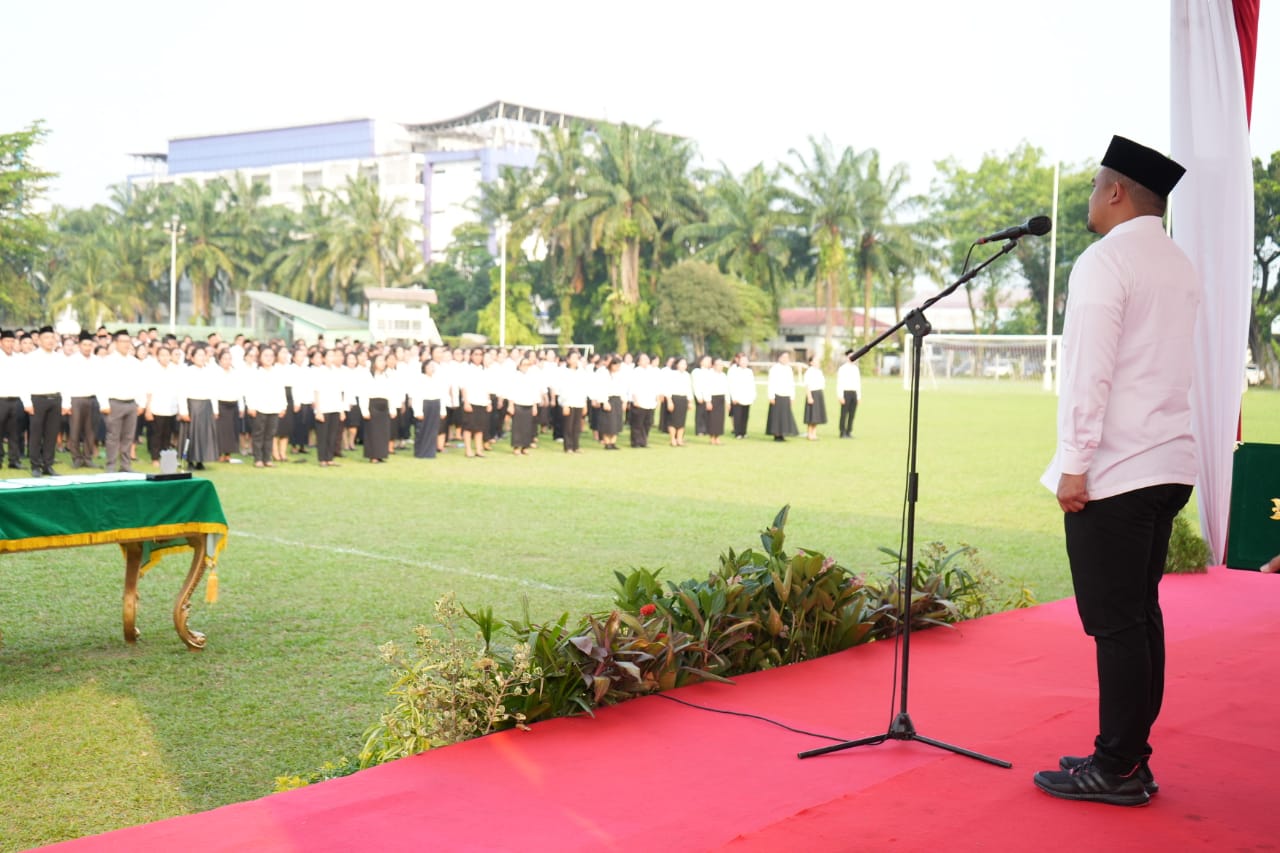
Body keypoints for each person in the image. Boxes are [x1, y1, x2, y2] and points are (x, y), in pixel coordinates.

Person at [1032, 136, 1199, 807]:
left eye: (1096, 184)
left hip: (1119, 468)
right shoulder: (1179, 263)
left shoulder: (1105, 262)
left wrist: (1074, 463)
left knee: (1118, 623)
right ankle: (1128, 754)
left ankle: (1120, 764)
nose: (1089, 197)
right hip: (1167, 462)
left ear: (1117, 191)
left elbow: (1087, 372)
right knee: (1139, 615)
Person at [20, 326, 68, 476]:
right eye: (46, 338)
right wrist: (27, 402)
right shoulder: (31, 358)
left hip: (55, 399)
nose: (50, 341)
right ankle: (35, 465)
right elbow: (23, 381)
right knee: (36, 433)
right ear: (39, 340)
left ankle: (48, 465)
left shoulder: (59, 358)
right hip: (37, 400)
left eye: (52, 338)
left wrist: (66, 402)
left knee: (51, 434)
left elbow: (66, 381)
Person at [98, 330, 147, 473]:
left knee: (128, 436)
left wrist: (141, 403)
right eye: (123, 342)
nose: (126, 344)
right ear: (116, 343)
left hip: (131, 403)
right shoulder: (108, 361)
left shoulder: (135, 362)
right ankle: (111, 466)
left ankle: (126, 466)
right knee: (113, 436)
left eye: (128, 342)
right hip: (114, 403)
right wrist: (104, 404)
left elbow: (140, 384)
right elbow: (101, 384)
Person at [244, 346, 287, 468]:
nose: (269, 358)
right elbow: (249, 391)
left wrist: (283, 406)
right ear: (260, 358)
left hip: (274, 407)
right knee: (258, 434)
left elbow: (281, 390)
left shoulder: (277, 372)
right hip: (259, 407)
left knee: (270, 434)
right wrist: (251, 406)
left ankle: (267, 458)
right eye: (265, 355)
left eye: (271, 356)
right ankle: (258, 458)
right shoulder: (255, 373)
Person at [0, 330, 26, 468]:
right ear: (1, 342)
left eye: (11, 341)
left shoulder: (17, 359)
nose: (9, 344)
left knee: (15, 432)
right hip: (1, 400)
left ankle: (14, 460)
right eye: (7, 341)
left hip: (15, 400)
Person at [764, 352, 799, 442]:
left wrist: (792, 396)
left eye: (787, 357)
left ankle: (783, 433)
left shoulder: (789, 369)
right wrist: (771, 396)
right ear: (779, 358)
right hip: (777, 395)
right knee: (776, 416)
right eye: (783, 357)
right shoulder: (774, 369)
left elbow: (791, 384)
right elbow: (771, 383)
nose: (785, 359)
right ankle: (776, 434)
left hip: (786, 395)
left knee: (784, 417)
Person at [727, 352, 756, 440]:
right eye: (742, 361)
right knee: (737, 416)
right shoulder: (734, 370)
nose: (744, 363)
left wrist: (753, 396)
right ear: (738, 362)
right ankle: (737, 432)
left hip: (747, 397)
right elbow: (731, 384)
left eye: (746, 361)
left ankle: (744, 432)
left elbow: (752, 385)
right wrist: (734, 397)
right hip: (737, 397)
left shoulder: (749, 371)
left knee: (745, 416)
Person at [665, 357, 693, 447]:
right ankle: (672, 438)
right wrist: (669, 401)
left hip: (683, 399)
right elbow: (668, 388)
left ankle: (679, 439)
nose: (683, 365)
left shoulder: (687, 375)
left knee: (681, 420)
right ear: (677, 364)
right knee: (673, 420)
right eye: (681, 363)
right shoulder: (671, 374)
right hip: (674, 398)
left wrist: (690, 401)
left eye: (685, 364)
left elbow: (689, 389)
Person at [837, 350, 863, 439]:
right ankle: (842, 431)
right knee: (844, 413)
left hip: (854, 392)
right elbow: (840, 383)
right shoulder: (842, 369)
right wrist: (840, 396)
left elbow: (858, 383)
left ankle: (849, 431)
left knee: (852, 414)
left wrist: (859, 396)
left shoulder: (856, 369)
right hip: (846, 392)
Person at [802, 354, 827, 441]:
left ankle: (814, 433)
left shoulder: (819, 371)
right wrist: (809, 397)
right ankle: (809, 434)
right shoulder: (809, 372)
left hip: (819, 393)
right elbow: (807, 385)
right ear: (811, 362)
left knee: (817, 416)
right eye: (815, 360)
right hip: (812, 394)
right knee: (811, 416)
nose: (817, 362)